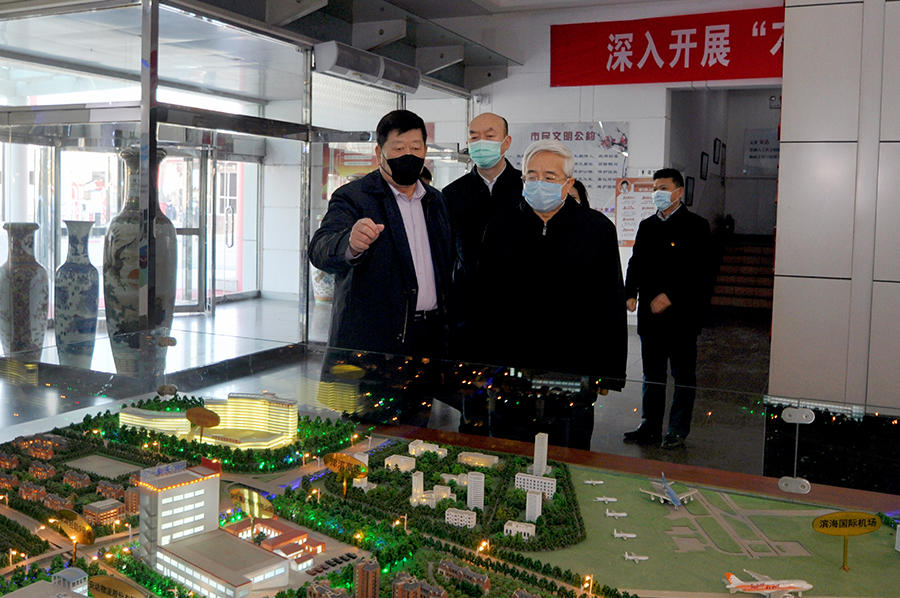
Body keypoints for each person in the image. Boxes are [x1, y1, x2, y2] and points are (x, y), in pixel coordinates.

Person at [476, 139, 628, 389]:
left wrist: (610, 375)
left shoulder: (597, 229)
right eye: (532, 176)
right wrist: (482, 365)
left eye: (549, 177)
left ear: (568, 183)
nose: (539, 183)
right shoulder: (500, 229)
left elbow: (610, 304)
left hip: (575, 363)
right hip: (511, 364)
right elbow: (484, 300)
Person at [308, 109, 454, 358]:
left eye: (415, 148)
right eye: (398, 148)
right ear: (379, 153)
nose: (408, 155)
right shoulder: (354, 197)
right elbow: (319, 250)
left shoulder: (436, 200)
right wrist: (349, 244)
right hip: (374, 341)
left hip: (430, 337)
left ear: (425, 151)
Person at [623, 167, 713, 449]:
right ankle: (650, 425)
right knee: (652, 375)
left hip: (682, 316)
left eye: (663, 188)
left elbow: (701, 271)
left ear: (679, 192)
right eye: (654, 189)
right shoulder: (647, 225)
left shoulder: (696, 226)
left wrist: (671, 295)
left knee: (683, 376)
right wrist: (630, 292)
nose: (657, 194)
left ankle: (677, 429)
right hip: (650, 316)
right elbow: (636, 262)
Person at [442, 112, 523, 358]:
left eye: (489, 136)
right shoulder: (452, 194)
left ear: (506, 143)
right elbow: (445, 254)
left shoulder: (525, 188)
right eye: (474, 137)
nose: (481, 143)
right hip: (467, 311)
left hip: (518, 310)